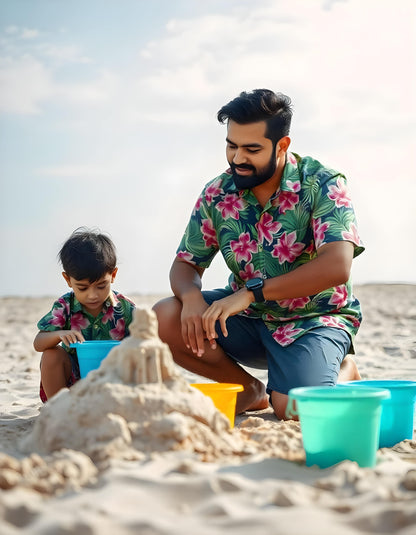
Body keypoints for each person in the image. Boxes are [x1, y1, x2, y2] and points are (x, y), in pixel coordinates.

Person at [153, 88, 365, 420]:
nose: (238, 158)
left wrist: (252, 295)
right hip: (248, 322)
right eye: (231, 145)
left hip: (313, 319)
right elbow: (185, 264)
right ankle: (248, 390)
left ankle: (343, 369)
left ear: (282, 146)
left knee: (293, 409)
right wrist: (192, 297)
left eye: (252, 149)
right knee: (164, 317)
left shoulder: (323, 183)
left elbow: (337, 266)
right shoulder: (216, 192)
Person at [34, 228, 136, 402]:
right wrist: (59, 334)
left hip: (115, 381)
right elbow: (38, 343)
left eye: (101, 285)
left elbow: (147, 343)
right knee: (51, 355)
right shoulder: (65, 306)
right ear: (68, 280)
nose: (92, 295)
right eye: (82, 288)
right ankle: (58, 410)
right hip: (73, 385)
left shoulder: (126, 308)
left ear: (113, 275)